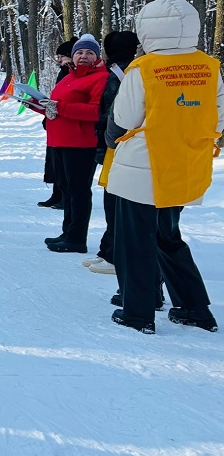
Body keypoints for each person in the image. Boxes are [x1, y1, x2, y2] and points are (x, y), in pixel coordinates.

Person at [106, 0, 223, 334]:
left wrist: (112, 138)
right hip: (185, 163)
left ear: (148, 28)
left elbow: (125, 117)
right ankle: (195, 308)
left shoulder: (143, 68)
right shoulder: (209, 67)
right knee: (168, 237)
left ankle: (138, 313)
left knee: (135, 241)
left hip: (142, 167)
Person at [39, 33, 108, 253]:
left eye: (89, 53)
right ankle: (68, 232)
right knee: (66, 190)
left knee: (78, 191)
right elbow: (57, 106)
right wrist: (38, 105)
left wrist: (59, 107)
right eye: (79, 52)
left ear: (97, 56)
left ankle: (77, 238)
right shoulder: (70, 76)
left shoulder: (100, 77)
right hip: (59, 141)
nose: (84, 56)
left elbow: (96, 111)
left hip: (81, 143)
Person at [83, 30, 139, 277]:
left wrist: (103, 129)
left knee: (115, 200)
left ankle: (115, 254)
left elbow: (117, 111)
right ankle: (108, 249)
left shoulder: (126, 73)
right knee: (111, 198)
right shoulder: (125, 69)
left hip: (117, 144)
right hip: (113, 143)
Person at [38, 39, 76, 208]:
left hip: (64, 122)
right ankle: (56, 194)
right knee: (54, 162)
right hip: (55, 121)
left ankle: (63, 196)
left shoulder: (69, 73)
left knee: (62, 165)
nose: (59, 59)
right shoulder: (63, 71)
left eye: (62, 56)